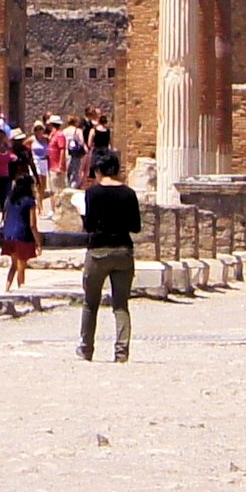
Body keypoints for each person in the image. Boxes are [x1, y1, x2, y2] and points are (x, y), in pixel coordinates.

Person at [77, 150, 142, 362]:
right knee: (121, 305)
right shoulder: (129, 194)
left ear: (97, 169)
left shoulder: (93, 194)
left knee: (90, 303)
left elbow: (88, 226)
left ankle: (87, 348)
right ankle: (122, 351)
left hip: (98, 251)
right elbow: (136, 226)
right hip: (123, 250)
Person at [0, 170, 38, 289]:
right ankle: (21, 289)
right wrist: (38, 240)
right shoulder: (30, 201)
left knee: (14, 264)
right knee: (21, 265)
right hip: (22, 234)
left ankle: (7, 287)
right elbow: (32, 224)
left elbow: (5, 217)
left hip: (8, 234)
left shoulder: (10, 200)